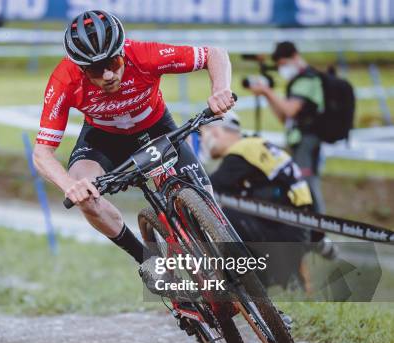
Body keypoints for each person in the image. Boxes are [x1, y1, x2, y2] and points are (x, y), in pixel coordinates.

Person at [32, 10, 234, 286]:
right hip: (103, 139)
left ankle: (254, 294)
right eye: (94, 69)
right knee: (85, 194)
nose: (107, 75)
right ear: (80, 68)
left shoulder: (144, 55)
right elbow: (41, 153)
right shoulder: (64, 81)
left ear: (122, 51)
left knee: (208, 206)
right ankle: (148, 260)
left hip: (155, 129)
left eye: (113, 62)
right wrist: (70, 185)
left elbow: (215, 54)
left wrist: (220, 89)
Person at [201, 111, 314, 291]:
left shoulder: (241, 152)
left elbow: (207, 188)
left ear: (215, 132)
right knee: (232, 210)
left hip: (284, 235)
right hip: (296, 230)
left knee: (223, 217)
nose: (202, 142)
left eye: (203, 135)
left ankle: (235, 285)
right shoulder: (255, 145)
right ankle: (262, 282)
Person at [246, 41, 325, 215]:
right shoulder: (298, 81)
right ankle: (310, 224)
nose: (282, 69)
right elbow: (285, 116)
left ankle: (319, 226)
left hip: (308, 141)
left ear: (294, 57)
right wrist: (268, 95)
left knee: (307, 184)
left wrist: (267, 91)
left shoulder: (307, 79)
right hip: (298, 140)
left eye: (283, 64)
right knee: (301, 183)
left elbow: (290, 109)